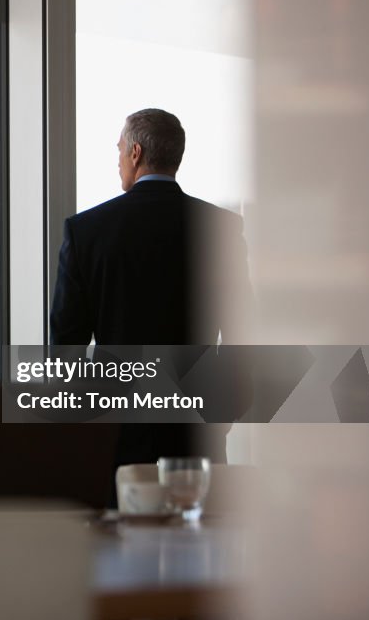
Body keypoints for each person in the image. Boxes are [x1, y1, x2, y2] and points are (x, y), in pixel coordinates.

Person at [49, 108, 252, 476]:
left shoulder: (87, 231)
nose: (118, 161)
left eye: (119, 150)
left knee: (115, 525)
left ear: (136, 153)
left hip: (115, 420)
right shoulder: (221, 228)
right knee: (200, 524)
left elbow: (66, 341)